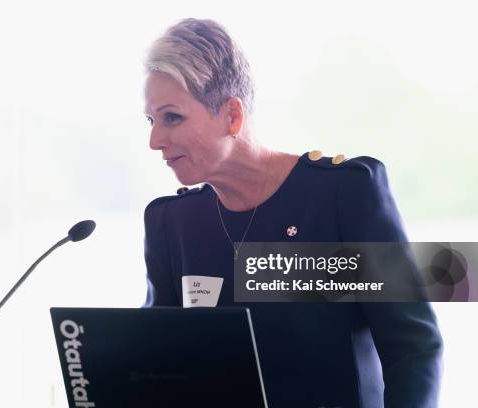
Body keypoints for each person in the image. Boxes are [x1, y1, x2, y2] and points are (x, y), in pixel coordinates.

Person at [142, 18, 442, 407]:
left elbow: (414, 349)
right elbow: (155, 360)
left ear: (232, 115)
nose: (154, 140)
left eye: (172, 117)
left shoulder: (341, 194)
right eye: (150, 121)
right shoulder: (171, 222)